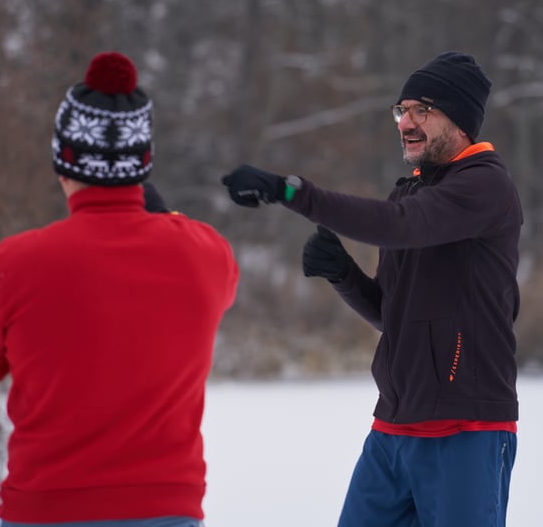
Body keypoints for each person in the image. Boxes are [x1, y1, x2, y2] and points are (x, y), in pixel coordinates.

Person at [0, 52, 239, 527]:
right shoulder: (209, 254)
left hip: (43, 512)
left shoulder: (17, 263)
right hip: (168, 514)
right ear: (143, 164)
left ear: (63, 161)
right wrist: (163, 218)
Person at [221, 51, 522, 527]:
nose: (406, 122)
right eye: (401, 110)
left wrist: (293, 192)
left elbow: (400, 226)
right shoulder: (409, 191)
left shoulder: (485, 186)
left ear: (461, 118)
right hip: (393, 427)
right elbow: (392, 315)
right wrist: (343, 274)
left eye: (422, 109)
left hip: (466, 427)